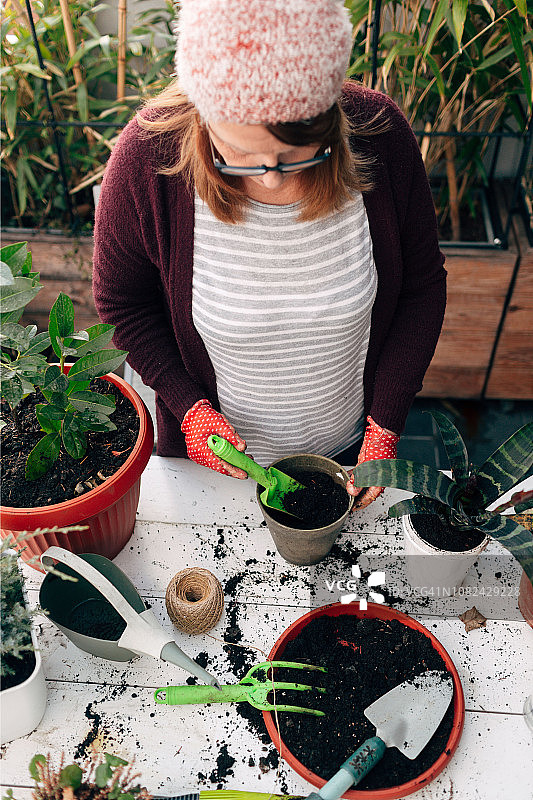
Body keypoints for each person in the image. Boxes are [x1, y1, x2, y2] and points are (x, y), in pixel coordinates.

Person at [92, 0, 446, 510]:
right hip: (209, 466)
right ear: (202, 113)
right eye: (239, 157)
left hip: (348, 446)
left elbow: (421, 287)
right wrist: (187, 407)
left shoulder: (381, 136)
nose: (271, 178)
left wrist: (386, 421)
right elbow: (123, 303)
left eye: (297, 154)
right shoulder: (149, 157)